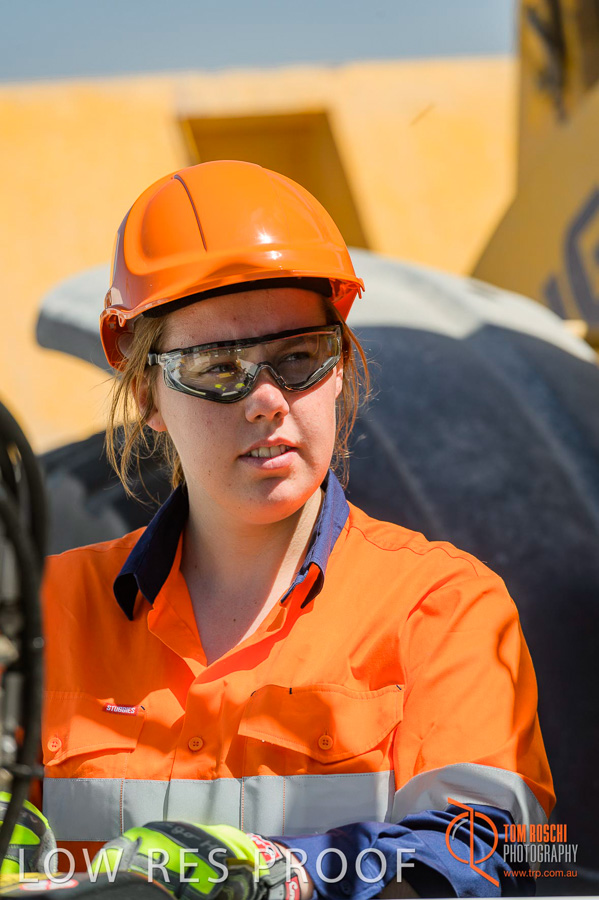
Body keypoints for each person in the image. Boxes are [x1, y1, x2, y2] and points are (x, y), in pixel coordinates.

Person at [36, 161, 553, 898]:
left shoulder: (441, 608)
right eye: (217, 367)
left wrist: (289, 874)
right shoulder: (47, 614)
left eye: (299, 359)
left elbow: (485, 847)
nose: (267, 400)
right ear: (148, 395)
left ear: (339, 370)